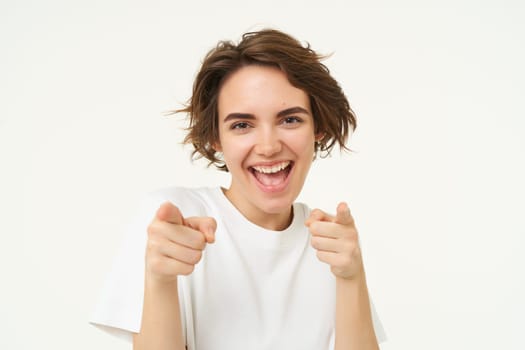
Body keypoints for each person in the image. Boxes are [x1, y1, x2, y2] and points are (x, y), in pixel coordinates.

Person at [90, 29, 386, 350]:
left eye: (290, 120)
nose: (269, 146)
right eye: (242, 125)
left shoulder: (330, 245)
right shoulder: (172, 221)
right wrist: (160, 281)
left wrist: (351, 277)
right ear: (216, 138)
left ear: (318, 127)